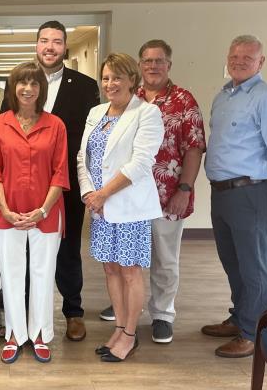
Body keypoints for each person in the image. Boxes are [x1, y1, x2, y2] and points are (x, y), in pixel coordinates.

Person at [99, 40, 206, 345]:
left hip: (167, 195)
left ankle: (162, 314)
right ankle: (125, 307)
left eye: (159, 61)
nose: (153, 66)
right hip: (127, 195)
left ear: (169, 65)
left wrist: (184, 188)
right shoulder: (128, 97)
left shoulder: (183, 101)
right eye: (147, 61)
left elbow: (194, 148)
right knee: (125, 257)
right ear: (139, 65)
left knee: (165, 259)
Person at [202, 35, 267, 358]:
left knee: (254, 266)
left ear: (261, 62)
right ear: (228, 58)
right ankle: (239, 316)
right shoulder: (223, 96)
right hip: (221, 193)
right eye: (235, 56)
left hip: (250, 192)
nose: (239, 62)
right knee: (233, 262)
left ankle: (251, 332)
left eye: (248, 57)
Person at [77, 53, 164, 362]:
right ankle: (118, 328)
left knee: (129, 271)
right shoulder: (96, 112)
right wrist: (89, 193)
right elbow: (83, 157)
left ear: (131, 80)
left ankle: (129, 334)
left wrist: (103, 194)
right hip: (100, 208)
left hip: (128, 208)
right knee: (110, 268)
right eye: (106, 78)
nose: (110, 83)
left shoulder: (147, 113)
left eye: (117, 77)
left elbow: (141, 163)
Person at [0, 61, 69, 364]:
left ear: (41, 89)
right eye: (22, 82)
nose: (28, 88)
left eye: (34, 83)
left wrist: (43, 210)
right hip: (6, 213)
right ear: (13, 88)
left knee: (43, 275)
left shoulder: (56, 125)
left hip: (46, 214)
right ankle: (14, 334)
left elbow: (60, 173)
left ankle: (40, 334)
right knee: (10, 275)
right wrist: (5, 209)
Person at [34, 20, 99, 341]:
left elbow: (90, 140)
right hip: (27, 182)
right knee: (29, 247)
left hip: (68, 182)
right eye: (44, 40)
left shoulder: (85, 86)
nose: (50, 47)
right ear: (37, 45)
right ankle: (31, 313)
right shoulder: (22, 81)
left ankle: (73, 311)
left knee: (68, 247)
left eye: (56, 41)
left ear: (64, 47)